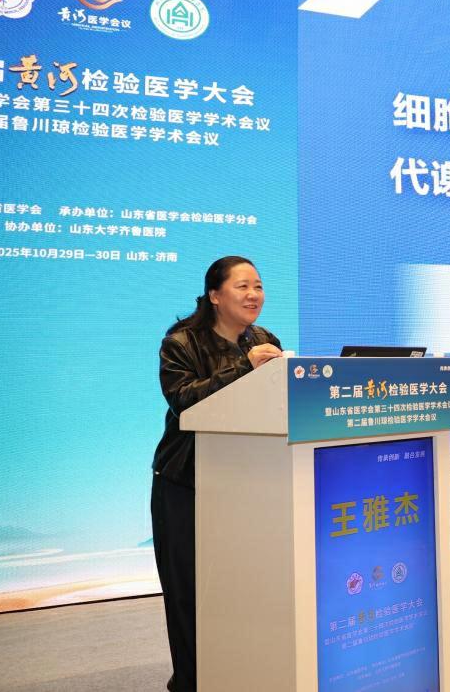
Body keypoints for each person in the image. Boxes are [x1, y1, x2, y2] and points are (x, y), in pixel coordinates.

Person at [151, 256, 282, 692]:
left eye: (258, 286)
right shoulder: (180, 342)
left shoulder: (265, 339)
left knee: (242, 585)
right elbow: (184, 402)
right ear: (214, 295)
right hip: (185, 481)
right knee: (188, 592)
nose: (254, 295)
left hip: (246, 482)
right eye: (243, 286)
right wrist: (245, 366)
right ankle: (191, 682)